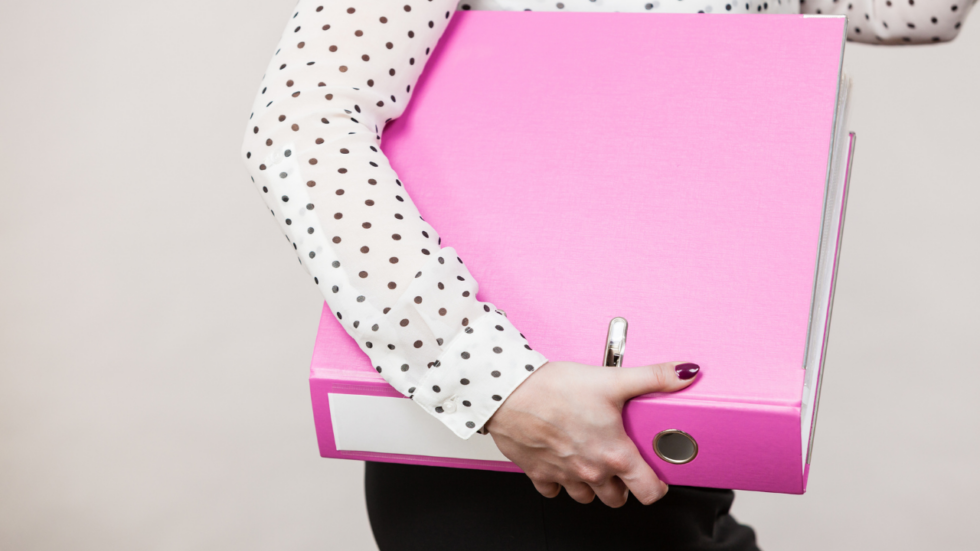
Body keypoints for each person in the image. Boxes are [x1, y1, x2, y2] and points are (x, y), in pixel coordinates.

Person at [240, 1, 973, 549]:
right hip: (511, 465)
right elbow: (302, 121)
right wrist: (497, 383)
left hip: (667, 458)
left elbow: (914, 11)